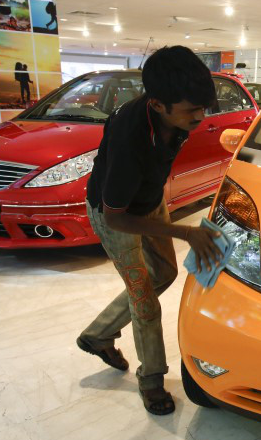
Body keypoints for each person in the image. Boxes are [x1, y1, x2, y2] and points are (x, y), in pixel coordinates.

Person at [77, 46, 222, 415]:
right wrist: (186, 233)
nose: (200, 117)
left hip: (149, 201)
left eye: (204, 107)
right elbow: (116, 218)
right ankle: (152, 380)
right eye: (192, 110)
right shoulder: (130, 138)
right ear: (157, 104)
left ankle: (97, 335)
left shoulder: (175, 114)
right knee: (144, 300)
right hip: (116, 215)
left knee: (165, 273)